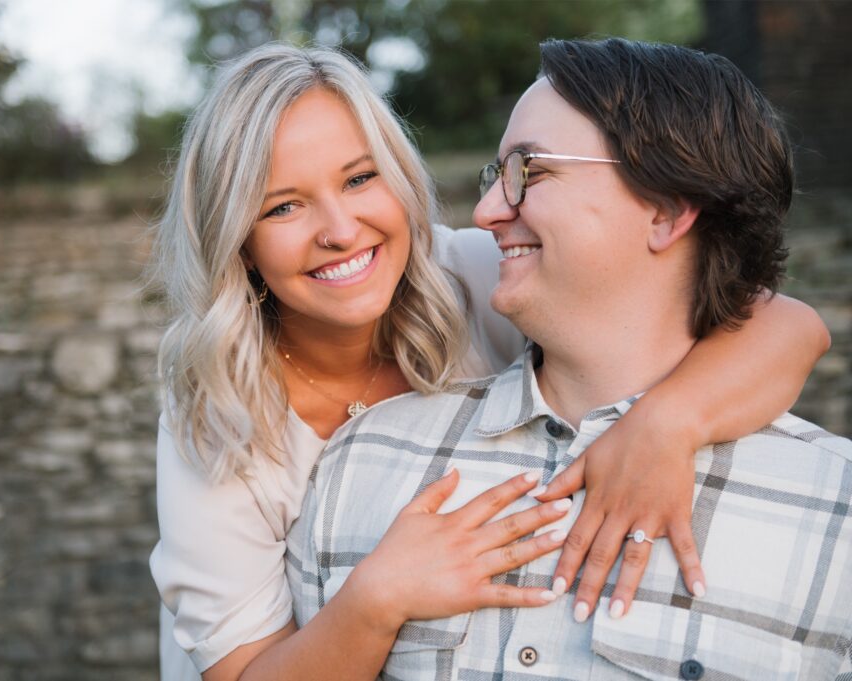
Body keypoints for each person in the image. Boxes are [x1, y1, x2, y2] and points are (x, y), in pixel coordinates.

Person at [148, 43, 831, 681]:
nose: (338, 229)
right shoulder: (216, 410)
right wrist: (377, 597)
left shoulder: (472, 274)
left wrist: (667, 424)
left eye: (360, 178)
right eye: (284, 206)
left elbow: (786, 323)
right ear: (239, 242)